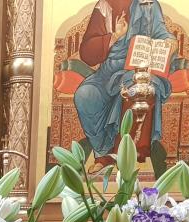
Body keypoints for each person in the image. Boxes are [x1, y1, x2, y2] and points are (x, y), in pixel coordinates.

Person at [73, 0, 175, 167]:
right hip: (108, 73)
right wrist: (114, 36)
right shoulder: (104, 6)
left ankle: (127, 155)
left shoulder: (148, 4)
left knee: (139, 89)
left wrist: (170, 42)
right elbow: (87, 54)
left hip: (138, 68)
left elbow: (162, 33)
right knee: (85, 95)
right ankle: (103, 153)